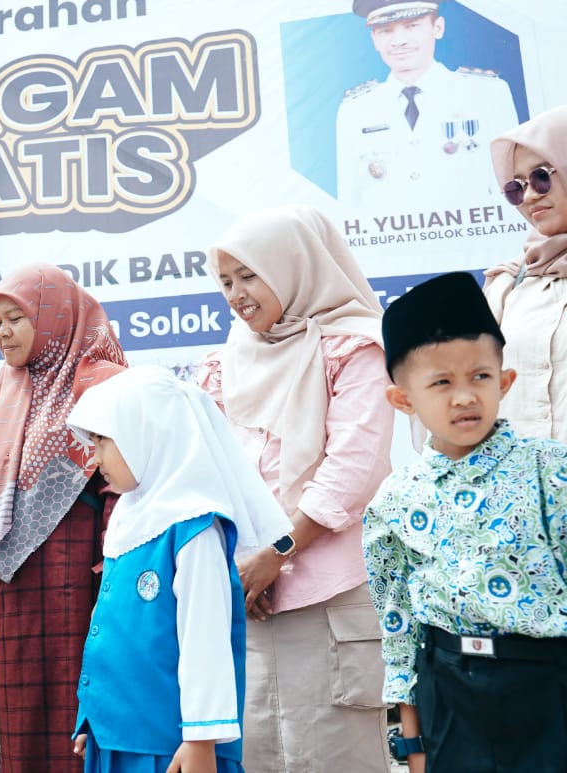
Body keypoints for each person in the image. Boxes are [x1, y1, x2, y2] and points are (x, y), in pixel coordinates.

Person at [198, 206, 393, 772]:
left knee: (334, 757)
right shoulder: (226, 363)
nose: (236, 294)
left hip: (328, 598)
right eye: (226, 281)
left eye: (249, 275)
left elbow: (352, 473)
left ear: (294, 265)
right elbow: (214, 471)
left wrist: (276, 553)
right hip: (252, 599)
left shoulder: (354, 349)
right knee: (257, 754)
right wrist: (243, 561)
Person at [366, 271, 567, 773]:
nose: (464, 396)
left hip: (548, 688)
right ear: (403, 400)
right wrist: (412, 743)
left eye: (480, 376)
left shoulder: (551, 471)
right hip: (448, 694)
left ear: (504, 381)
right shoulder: (394, 500)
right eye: (441, 382)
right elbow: (398, 624)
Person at [66, 366, 292, 773]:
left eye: (102, 440)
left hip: (171, 746)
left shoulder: (194, 529)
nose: (94, 457)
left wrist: (201, 740)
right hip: (117, 737)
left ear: (148, 432)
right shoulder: (129, 518)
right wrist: (94, 716)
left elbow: (205, 640)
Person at [0, 262, 127, 773]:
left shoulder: (102, 380)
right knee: (24, 713)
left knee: (79, 702)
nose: (2, 333)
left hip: (83, 568)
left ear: (54, 316)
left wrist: (111, 561)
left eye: (15, 318)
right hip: (17, 578)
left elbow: (121, 484)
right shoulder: (6, 387)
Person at [336, 0, 518, 211]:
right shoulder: (356, 109)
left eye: (412, 26)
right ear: (374, 40)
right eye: (386, 30)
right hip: (392, 235)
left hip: (472, 233)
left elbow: (509, 188)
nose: (399, 41)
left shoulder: (487, 94)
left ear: (438, 28)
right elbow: (351, 203)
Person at [483, 105, 567, 441]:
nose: (529, 196)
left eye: (541, 177)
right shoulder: (508, 284)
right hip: (524, 474)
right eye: (516, 187)